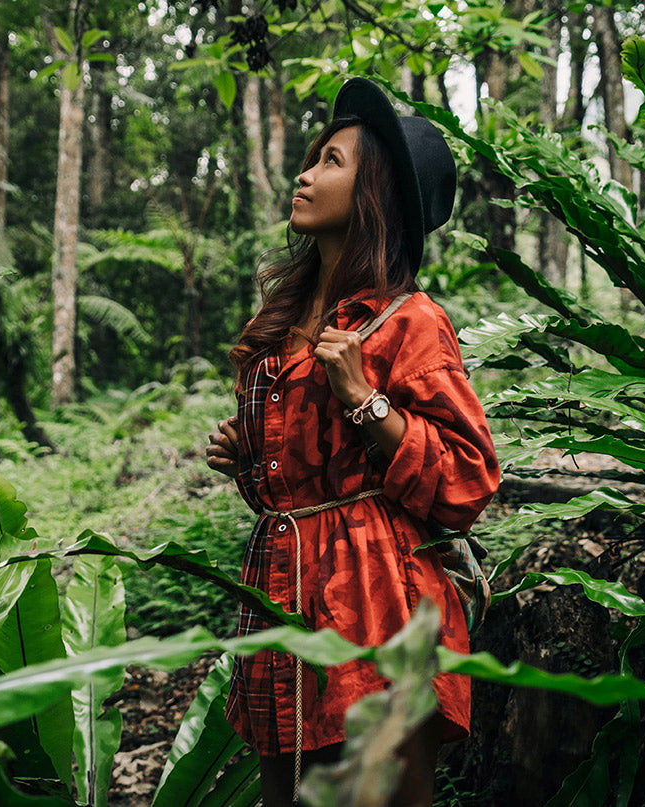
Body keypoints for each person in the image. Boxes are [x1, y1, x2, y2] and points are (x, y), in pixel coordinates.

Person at [204, 77, 500, 806]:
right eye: (312, 159)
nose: (306, 174)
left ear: (374, 195)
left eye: (331, 161)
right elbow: (284, 481)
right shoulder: (282, 322)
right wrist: (251, 455)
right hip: (282, 597)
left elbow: (469, 481)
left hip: (378, 608)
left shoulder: (410, 321)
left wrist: (365, 400)